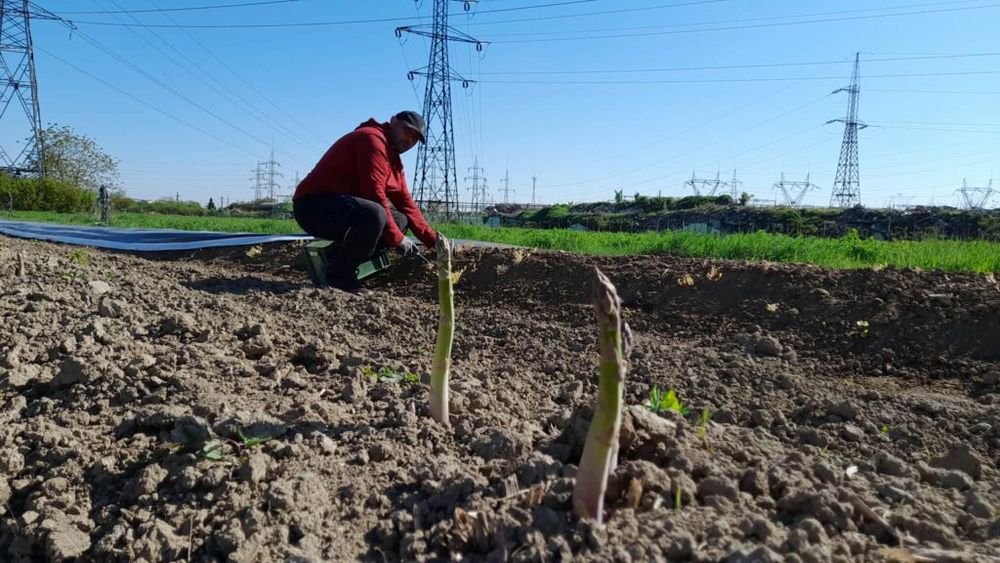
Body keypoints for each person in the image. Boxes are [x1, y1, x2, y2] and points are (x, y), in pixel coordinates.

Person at [293, 111, 438, 291]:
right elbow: (374, 195)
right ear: (393, 121)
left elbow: (405, 202)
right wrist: (398, 239)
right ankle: (339, 277)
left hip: (340, 208)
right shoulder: (372, 140)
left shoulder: (394, 161)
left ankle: (336, 262)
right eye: (407, 131)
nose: (409, 140)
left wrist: (434, 242)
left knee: (400, 219)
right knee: (375, 214)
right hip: (312, 206)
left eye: (415, 138)